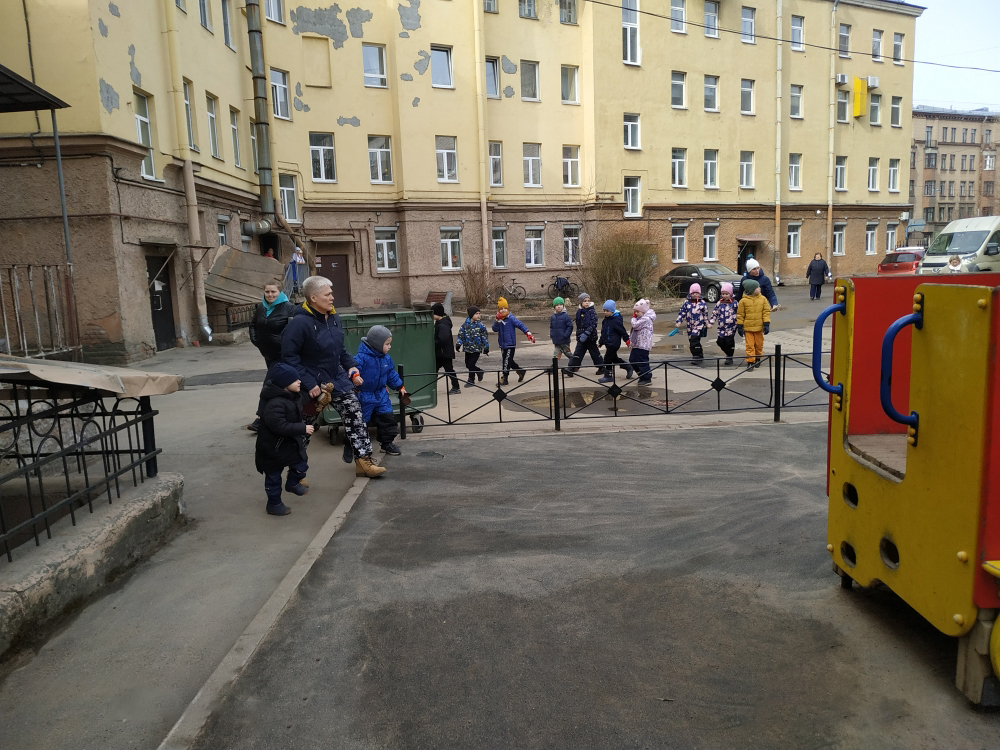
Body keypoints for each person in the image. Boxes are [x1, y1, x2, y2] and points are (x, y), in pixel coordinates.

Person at [282, 275, 386, 478]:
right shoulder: (299, 324)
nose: (332, 297)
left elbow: (340, 350)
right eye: (327, 294)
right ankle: (296, 473)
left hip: (336, 379)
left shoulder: (335, 318)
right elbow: (288, 357)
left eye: (331, 293)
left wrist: (352, 368)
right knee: (305, 428)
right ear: (313, 298)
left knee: (355, 413)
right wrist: (309, 383)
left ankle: (363, 462)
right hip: (311, 384)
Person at [254, 363, 314, 517]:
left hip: (287, 443)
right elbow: (280, 426)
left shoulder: (294, 396)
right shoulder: (274, 404)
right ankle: (274, 504)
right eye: (295, 380)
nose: (299, 381)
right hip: (272, 448)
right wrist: (302, 428)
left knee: (301, 464)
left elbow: (305, 401)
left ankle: (293, 482)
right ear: (283, 384)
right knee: (273, 477)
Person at [353, 325, 406, 459]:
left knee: (387, 418)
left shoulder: (386, 359)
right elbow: (352, 369)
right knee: (360, 423)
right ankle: (353, 445)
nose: (390, 347)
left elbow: (391, 375)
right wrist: (354, 376)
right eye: (387, 344)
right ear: (377, 344)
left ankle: (387, 443)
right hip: (365, 395)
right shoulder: (361, 358)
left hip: (381, 394)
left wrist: (400, 386)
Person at [247, 282, 294, 433]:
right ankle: (287, 416)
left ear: (280, 292)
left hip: (283, 355)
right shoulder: (261, 307)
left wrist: (286, 346)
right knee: (282, 386)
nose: (270, 295)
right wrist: (257, 341)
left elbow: (295, 330)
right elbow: (253, 325)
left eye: (273, 292)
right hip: (268, 354)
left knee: (270, 384)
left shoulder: (289, 308)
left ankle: (260, 419)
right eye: (267, 292)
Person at [492, 297, 536, 385]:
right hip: (502, 344)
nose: (503, 310)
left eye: (505, 308)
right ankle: (521, 371)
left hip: (510, 344)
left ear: (508, 309)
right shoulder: (499, 319)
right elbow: (494, 329)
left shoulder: (511, 318)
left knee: (506, 361)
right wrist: (497, 321)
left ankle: (504, 378)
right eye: (501, 309)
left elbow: (520, 325)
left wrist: (528, 333)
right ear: (498, 310)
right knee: (509, 361)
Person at [736, 278, 770, 370]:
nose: (759, 288)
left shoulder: (763, 299)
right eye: (757, 287)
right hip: (748, 328)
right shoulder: (743, 301)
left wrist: (766, 323)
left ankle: (758, 358)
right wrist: (740, 325)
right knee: (750, 345)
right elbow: (740, 314)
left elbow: (766, 312)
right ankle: (750, 361)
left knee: (759, 344)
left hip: (759, 327)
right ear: (751, 290)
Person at [568, 293, 605, 376]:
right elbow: (578, 324)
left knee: (594, 353)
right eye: (585, 301)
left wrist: (587, 333)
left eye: (588, 301)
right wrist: (579, 334)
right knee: (578, 353)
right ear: (581, 302)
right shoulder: (579, 312)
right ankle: (571, 368)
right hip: (581, 337)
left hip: (590, 337)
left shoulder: (592, 311)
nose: (587, 302)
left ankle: (602, 367)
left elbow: (593, 324)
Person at [598, 299, 632, 383]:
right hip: (608, 342)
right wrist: (601, 342)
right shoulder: (605, 320)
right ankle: (628, 366)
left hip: (614, 343)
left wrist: (627, 340)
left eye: (607, 311)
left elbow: (622, 331)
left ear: (612, 311)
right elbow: (603, 332)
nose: (605, 312)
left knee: (607, 359)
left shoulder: (616, 320)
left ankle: (608, 375)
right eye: (604, 311)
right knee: (614, 359)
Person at [675, 283, 709, 366]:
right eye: (693, 293)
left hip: (698, 325)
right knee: (692, 341)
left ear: (699, 293)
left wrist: (707, 323)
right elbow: (682, 312)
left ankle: (696, 356)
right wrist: (679, 321)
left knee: (694, 340)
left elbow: (705, 314)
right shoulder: (687, 303)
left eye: (697, 293)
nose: (695, 295)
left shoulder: (702, 303)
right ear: (690, 293)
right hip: (690, 325)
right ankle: (700, 354)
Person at [456, 306, 490, 386]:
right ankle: (479, 371)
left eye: (479, 313)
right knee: (467, 364)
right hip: (467, 348)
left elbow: (484, 337)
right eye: (476, 313)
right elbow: (461, 335)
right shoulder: (465, 325)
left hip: (476, 349)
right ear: (471, 315)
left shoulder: (481, 325)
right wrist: (458, 344)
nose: (478, 315)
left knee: (471, 364)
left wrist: (486, 347)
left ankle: (471, 380)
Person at [433, 303, 461, 395]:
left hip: (444, 352)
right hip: (442, 352)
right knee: (436, 370)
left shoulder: (443, 325)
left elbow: (443, 339)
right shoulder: (441, 323)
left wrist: (433, 344)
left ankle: (456, 387)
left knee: (449, 370)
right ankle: (432, 387)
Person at [708, 282, 738, 366]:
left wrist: (739, 323)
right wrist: (711, 323)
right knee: (720, 341)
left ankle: (729, 356)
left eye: (726, 294)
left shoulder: (734, 303)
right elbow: (714, 313)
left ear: (730, 294)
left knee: (729, 342)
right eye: (723, 294)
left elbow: (739, 313)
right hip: (721, 326)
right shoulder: (719, 303)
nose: (724, 296)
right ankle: (727, 352)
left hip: (731, 327)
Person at [629, 298, 656, 385]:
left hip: (643, 344)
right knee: (632, 359)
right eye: (635, 312)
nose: (636, 314)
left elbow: (635, 325)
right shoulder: (640, 318)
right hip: (637, 343)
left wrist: (633, 318)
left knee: (642, 361)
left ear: (643, 311)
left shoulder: (646, 319)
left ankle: (647, 378)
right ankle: (641, 375)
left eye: (637, 312)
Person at [549, 297, 574, 368]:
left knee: (568, 353)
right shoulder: (553, 317)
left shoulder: (566, 316)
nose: (559, 306)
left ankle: (575, 363)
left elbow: (570, 327)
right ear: (554, 307)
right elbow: (552, 327)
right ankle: (553, 367)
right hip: (557, 340)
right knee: (555, 355)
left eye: (560, 305)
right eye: (557, 305)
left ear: (563, 306)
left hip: (564, 340)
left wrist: (566, 335)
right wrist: (552, 334)